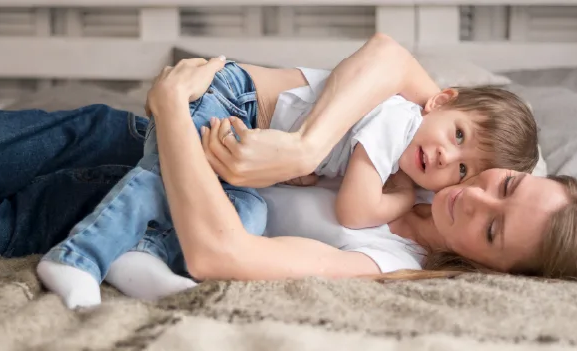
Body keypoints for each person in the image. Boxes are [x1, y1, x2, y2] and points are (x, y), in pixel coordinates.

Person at [36, 34, 539, 308]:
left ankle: (136, 253)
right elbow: (356, 207)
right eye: (456, 138)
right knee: (166, 174)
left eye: (465, 168)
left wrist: (311, 171)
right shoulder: (402, 120)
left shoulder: (427, 202)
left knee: (247, 211)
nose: (449, 162)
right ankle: (80, 255)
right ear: (440, 99)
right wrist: (400, 190)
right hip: (230, 100)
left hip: (215, 173)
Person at [129, 56, 577, 288]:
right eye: (507, 186)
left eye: (493, 230)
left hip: (119, 192)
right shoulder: (437, 159)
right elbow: (391, 58)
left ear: (498, 271)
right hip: (117, 134)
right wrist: (306, 151)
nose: (476, 197)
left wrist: (173, 106)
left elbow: (217, 254)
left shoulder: (387, 261)